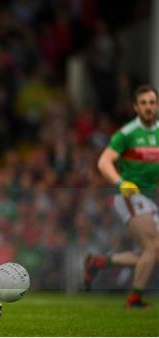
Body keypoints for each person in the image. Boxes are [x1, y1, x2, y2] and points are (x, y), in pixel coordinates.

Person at [85, 84, 159, 308]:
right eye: (144, 103)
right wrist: (120, 182)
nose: (148, 107)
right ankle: (134, 298)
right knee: (152, 247)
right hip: (129, 196)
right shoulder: (126, 134)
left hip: (149, 199)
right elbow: (104, 162)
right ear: (136, 107)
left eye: (152, 102)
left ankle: (100, 262)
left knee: (150, 252)